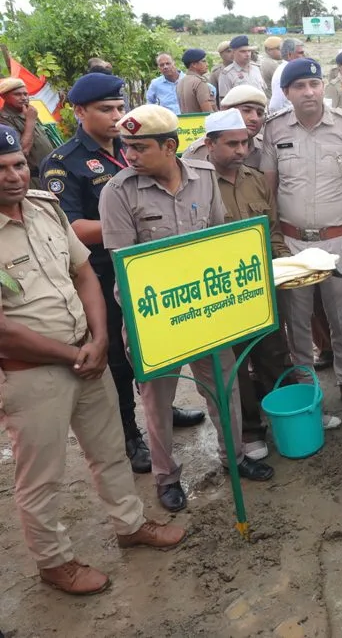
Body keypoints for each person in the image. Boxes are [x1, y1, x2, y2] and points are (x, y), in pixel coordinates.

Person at [0, 125, 187, 596]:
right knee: (41, 476)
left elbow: (84, 272)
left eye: (18, 165)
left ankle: (131, 526)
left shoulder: (45, 209)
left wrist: (100, 338)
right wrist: (74, 352)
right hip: (31, 373)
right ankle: (54, 562)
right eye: (0, 170)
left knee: (109, 452)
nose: (13, 176)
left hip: (88, 352)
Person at [99, 105, 275, 512]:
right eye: (127, 146)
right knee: (157, 403)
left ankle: (235, 457)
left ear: (170, 146)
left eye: (140, 147)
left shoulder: (205, 179)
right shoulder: (118, 192)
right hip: (155, 320)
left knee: (224, 389)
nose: (130, 155)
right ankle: (166, 476)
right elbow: (126, 270)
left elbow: (219, 243)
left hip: (207, 312)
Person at [42, 74, 208, 476]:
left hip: (155, 269)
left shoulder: (130, 147)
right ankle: (130, 435)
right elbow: (72, 227)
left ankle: (162, 412)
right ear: (79, 112)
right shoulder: (64, 163)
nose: (117, 117)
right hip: (101, 274)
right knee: (118, 358)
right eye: (106, 110)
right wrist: (132, 224)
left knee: (160, 346)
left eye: (119, 108)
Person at [261, 59, 342, 419]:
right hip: (292, 242)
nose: (309, 92)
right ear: (287, 93)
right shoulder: (275, 129)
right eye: (300, 86)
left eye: (314, 84)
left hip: (337, 240)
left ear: (322, 87)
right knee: (296, 322)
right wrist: (272, 240)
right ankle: (308, 391)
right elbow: (268, 189)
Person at [200, 108, 295, 460]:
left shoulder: (255, 179)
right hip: (222, 292)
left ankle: (285, 412)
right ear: (210, 144)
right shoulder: (197, 183)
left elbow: (272, 230)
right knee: (235, 364)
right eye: (232, 144)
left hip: (261, 286)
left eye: (245, 143)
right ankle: (251, 429)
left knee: (273, 352)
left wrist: (286, 266)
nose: (241, 150)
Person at [183, 85, 266, 171]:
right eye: (246, 111)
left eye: (259, 113)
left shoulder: (264, 146)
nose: (255, 118)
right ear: (225, 111)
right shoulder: (198, 151)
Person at [0, 77, 54, 187]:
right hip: (33, 180)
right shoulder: (3, 119)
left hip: (50, 174)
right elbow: (22, 151)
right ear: (4, 96)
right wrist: (30, 121)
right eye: (18, 94)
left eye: (25, 94)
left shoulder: (29, 112)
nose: (24, 98)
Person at [269, 39, 306, 113]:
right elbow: (275, 106)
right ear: (289, 55)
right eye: (300, 53)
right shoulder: (283, 73)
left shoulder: (293, 70)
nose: (304, 56)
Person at [175, 49, 214, 114]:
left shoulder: (180, 82)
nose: (207, 64)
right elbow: (208, 112)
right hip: (201, 122)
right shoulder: (199, 82)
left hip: (186, 122)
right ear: (194, 65)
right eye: (203, 61)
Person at [209, 41, 233, 106]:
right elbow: (213, 94)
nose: (232, 53)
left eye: (234, 51)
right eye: (228, 51)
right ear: (221, 54)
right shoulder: (217, 72)